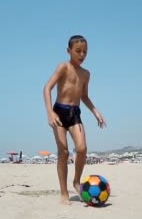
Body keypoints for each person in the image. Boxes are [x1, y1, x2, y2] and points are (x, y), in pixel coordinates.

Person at [43, 35, 106, 205]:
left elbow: (84, 96)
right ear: (69, 51)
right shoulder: (63, 67)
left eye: (85, 51)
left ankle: (76, 181)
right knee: (63, 151)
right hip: (59, 112)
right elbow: (47, 88)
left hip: (75, 113)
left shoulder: (86, 74)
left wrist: (95, 111)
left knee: (82, 148)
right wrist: (50, 112)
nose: (82, 55)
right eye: (78, 51)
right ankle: (64, 193)